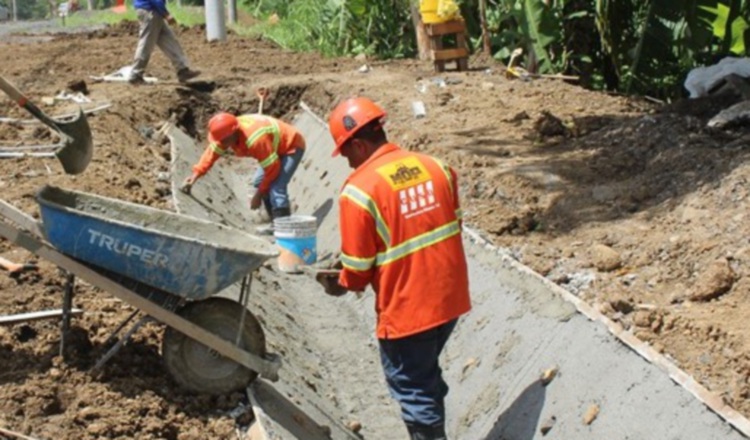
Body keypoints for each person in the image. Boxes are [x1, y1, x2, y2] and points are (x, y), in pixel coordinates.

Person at [318, 97, 471, 440]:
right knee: (424, 376)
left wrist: (338, 281)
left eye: (345, 153)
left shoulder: (359, 190)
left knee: (413, 389)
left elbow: (356, 271)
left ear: (357, 144)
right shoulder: (437, 167)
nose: (346, 161)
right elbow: (450, 227)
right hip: (450, 298)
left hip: (407, 310)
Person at [181, 112, 306, 221]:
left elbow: (272, 170)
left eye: (223, 141)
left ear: (233, 134)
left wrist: (258, 196)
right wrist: (195, 176)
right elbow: (211, 153)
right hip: (273, 148)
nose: (221, 144)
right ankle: (275, 222)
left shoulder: (255, 140)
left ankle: (285, 230)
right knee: (259, 181)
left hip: (291, 146)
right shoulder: (227, 134)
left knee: (276, 187)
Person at [128, 0, 201, 84]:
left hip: (153, 11)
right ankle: (135, 75)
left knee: (170, 41)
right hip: (150, 11)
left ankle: (182, 70)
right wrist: (166, 14)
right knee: (146, 44)